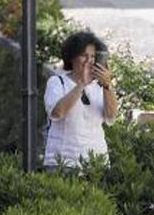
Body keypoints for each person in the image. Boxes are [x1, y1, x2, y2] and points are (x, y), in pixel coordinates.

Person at [43, 31, 119, 170]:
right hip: (64, 162)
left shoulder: (100, 86)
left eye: (93, 57)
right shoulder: (57, 82)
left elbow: (111, 117)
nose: (89, 61)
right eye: (84, 56)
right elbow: (57, 113)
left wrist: (108, 86)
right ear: (72, 58)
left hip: (96, 162)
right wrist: (82, 84)